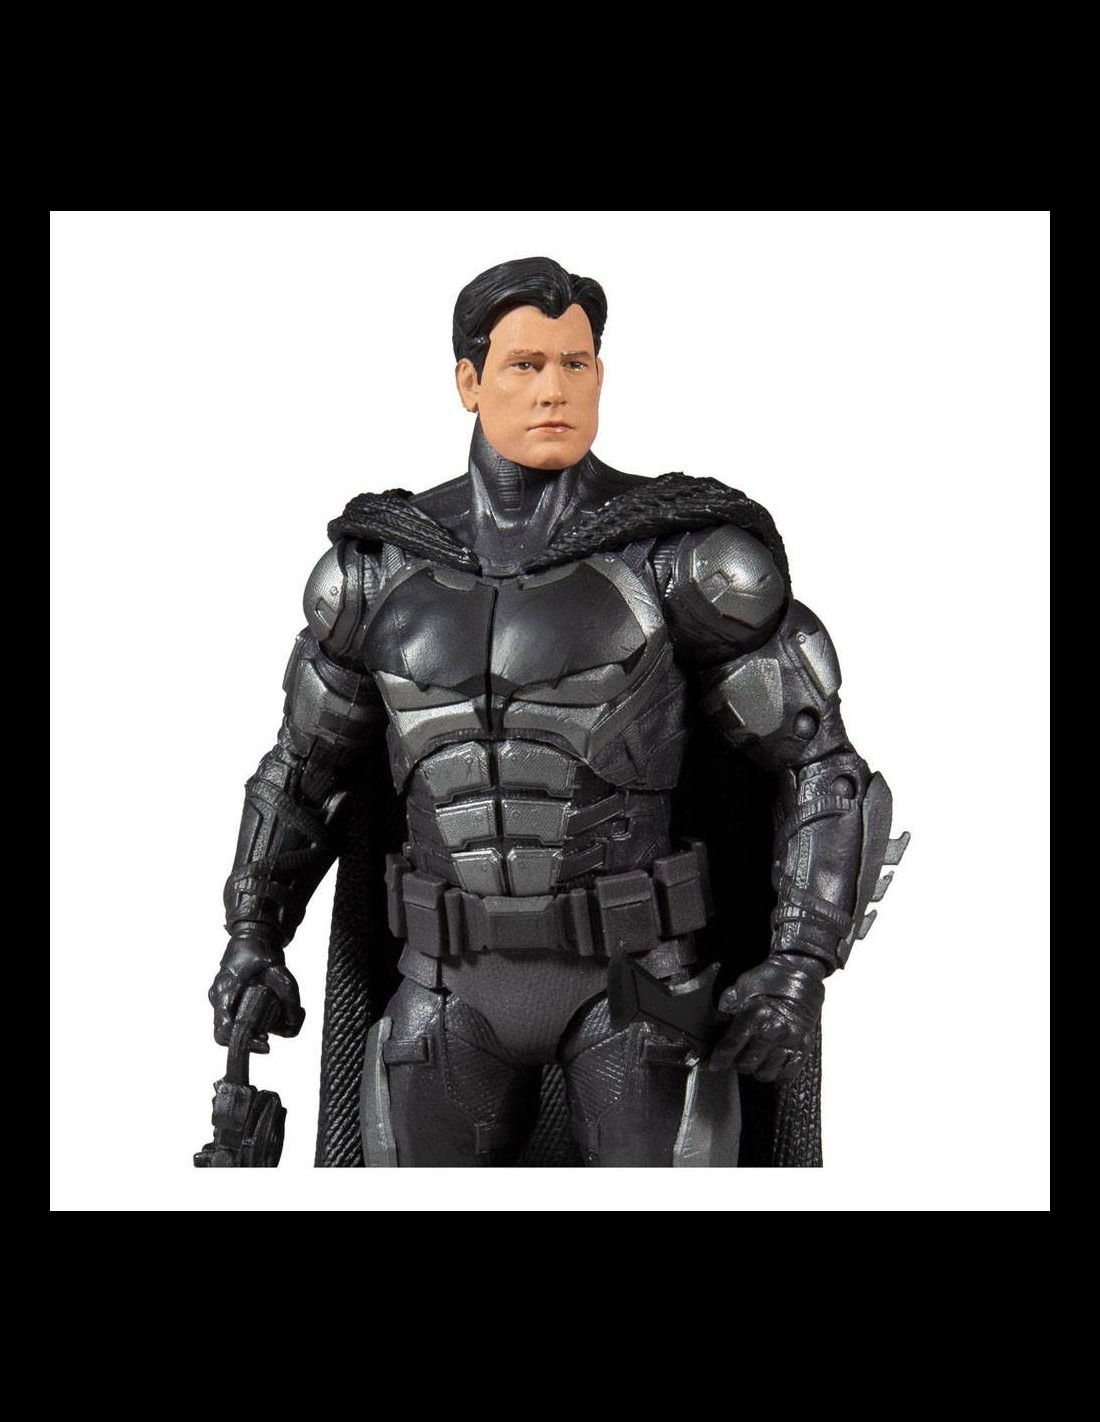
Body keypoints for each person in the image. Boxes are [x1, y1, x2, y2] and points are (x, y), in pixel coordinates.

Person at [208, 256, 906, 1168]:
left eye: (575, 364)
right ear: (469, 382)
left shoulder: (687, 564)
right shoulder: (375, 575)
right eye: (526, 365)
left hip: (637, 984)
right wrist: (253, 933)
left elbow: (821, 770)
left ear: (600, 374)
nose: (554, 390)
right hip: (442, 984)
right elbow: (302, 778)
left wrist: (800, 962)